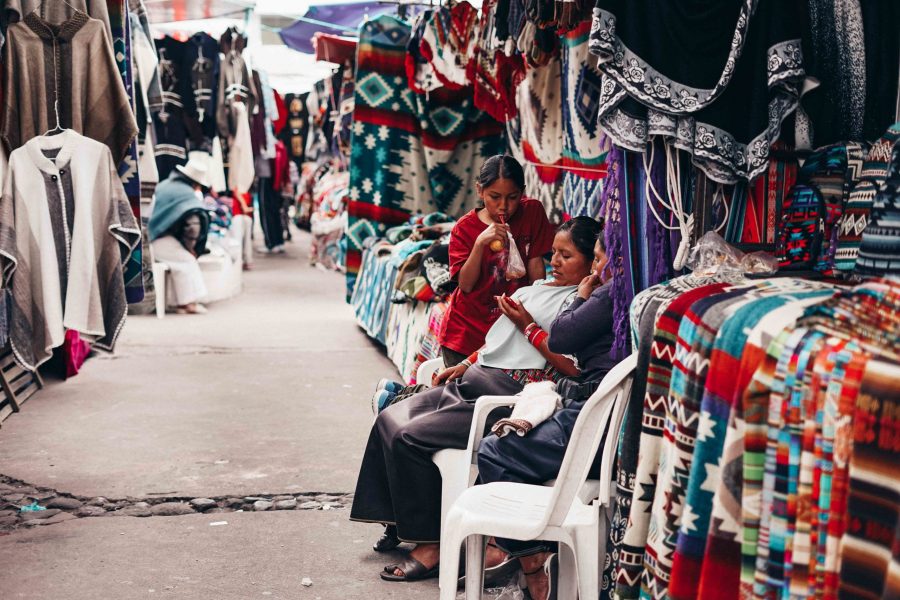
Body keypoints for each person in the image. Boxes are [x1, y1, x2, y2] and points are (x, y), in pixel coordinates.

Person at [349, 217, 602, 584]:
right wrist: (466, 363)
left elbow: (568, 363)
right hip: (473, 380)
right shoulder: (539, 287)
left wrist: (527, 324)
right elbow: (498, 340)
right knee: (389, 417)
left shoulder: (579, 304)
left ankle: (432, 543)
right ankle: (399, 523)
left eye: (568, 256)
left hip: (502, 396)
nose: (557, 262)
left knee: (410, 436)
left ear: (590, 262)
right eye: (555, 254)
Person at [475, 226, 624, 600]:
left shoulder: (608, 295)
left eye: (599, 259)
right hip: (601, 421)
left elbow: (559, 336)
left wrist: (579, 298)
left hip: (591, 423)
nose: (597, 266)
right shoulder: (629, 292)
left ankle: (533, 563)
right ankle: (531, 555)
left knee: (494, 450)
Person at [438, 155, 555, 368]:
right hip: (467, 332)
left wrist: (536, 309)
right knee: (459, 397)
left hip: (511, 331)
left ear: (523, 191)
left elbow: (535, 263)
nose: (504, 206)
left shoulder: (532, 212)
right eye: (494, 197)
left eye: (512, 197)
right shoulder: (464, 229)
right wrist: (480, 243)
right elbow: (465, 285)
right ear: (480, 190)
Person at [149, 158, 212, 314]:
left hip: (151, 237)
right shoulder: (187, 195)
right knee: (187, 261)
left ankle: (185, 302)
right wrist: (191, 247)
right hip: (156, 239)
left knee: (183, 261)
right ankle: (187, 303)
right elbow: (193, 226)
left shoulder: (165, 185)